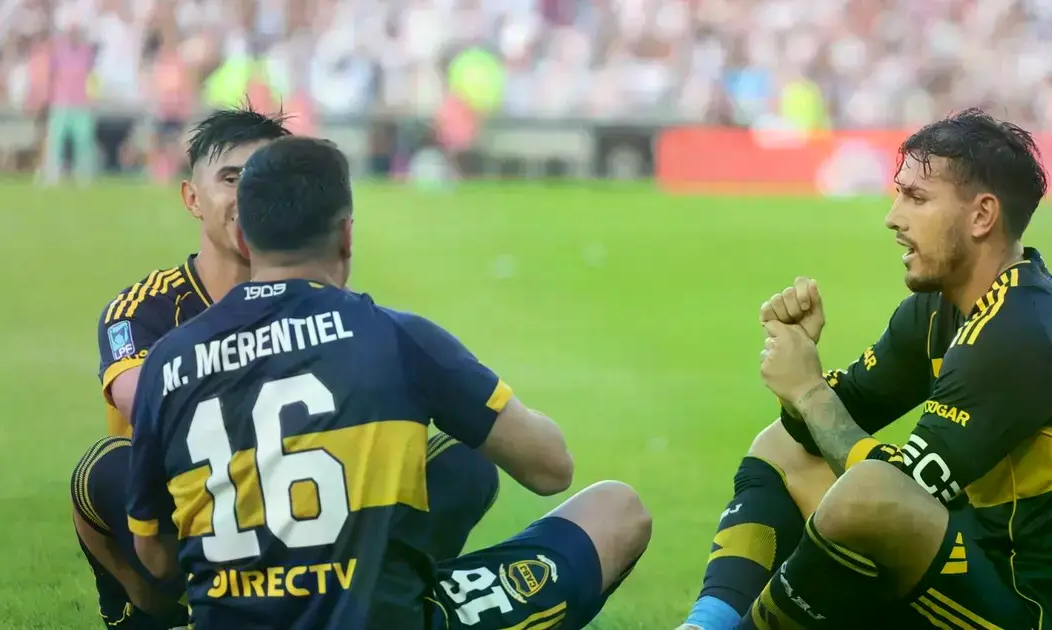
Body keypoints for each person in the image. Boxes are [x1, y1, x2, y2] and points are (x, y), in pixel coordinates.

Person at [123, 136, 651, 628]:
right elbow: (551, 467)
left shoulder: (168, 360)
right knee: (616, 509)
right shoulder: (396, 336)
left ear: (242, 234)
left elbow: (155, 553)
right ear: (347, 235)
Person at [681, 109, 1052, 630]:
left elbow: (887, 492)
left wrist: (807, 390)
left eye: (916, 198)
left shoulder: (1021, 331)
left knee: (869, 492)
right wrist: (801, 382)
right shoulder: (940, 307)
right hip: (967, 567)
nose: (893, 217)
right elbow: (823, 426)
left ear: (982, 216)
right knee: (781, 446)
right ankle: (706, 624)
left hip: (1027, 611)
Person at [69, 109, 498, 629]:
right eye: (230, 178)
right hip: (198, 514)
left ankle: (392, 590)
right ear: (191, 198)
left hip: (319, 511)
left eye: (259, 177)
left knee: (464, 460)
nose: (247, 193)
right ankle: (151, 613)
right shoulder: (145, 308)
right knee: (101, 469)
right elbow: (146, 400)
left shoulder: (324, 304)